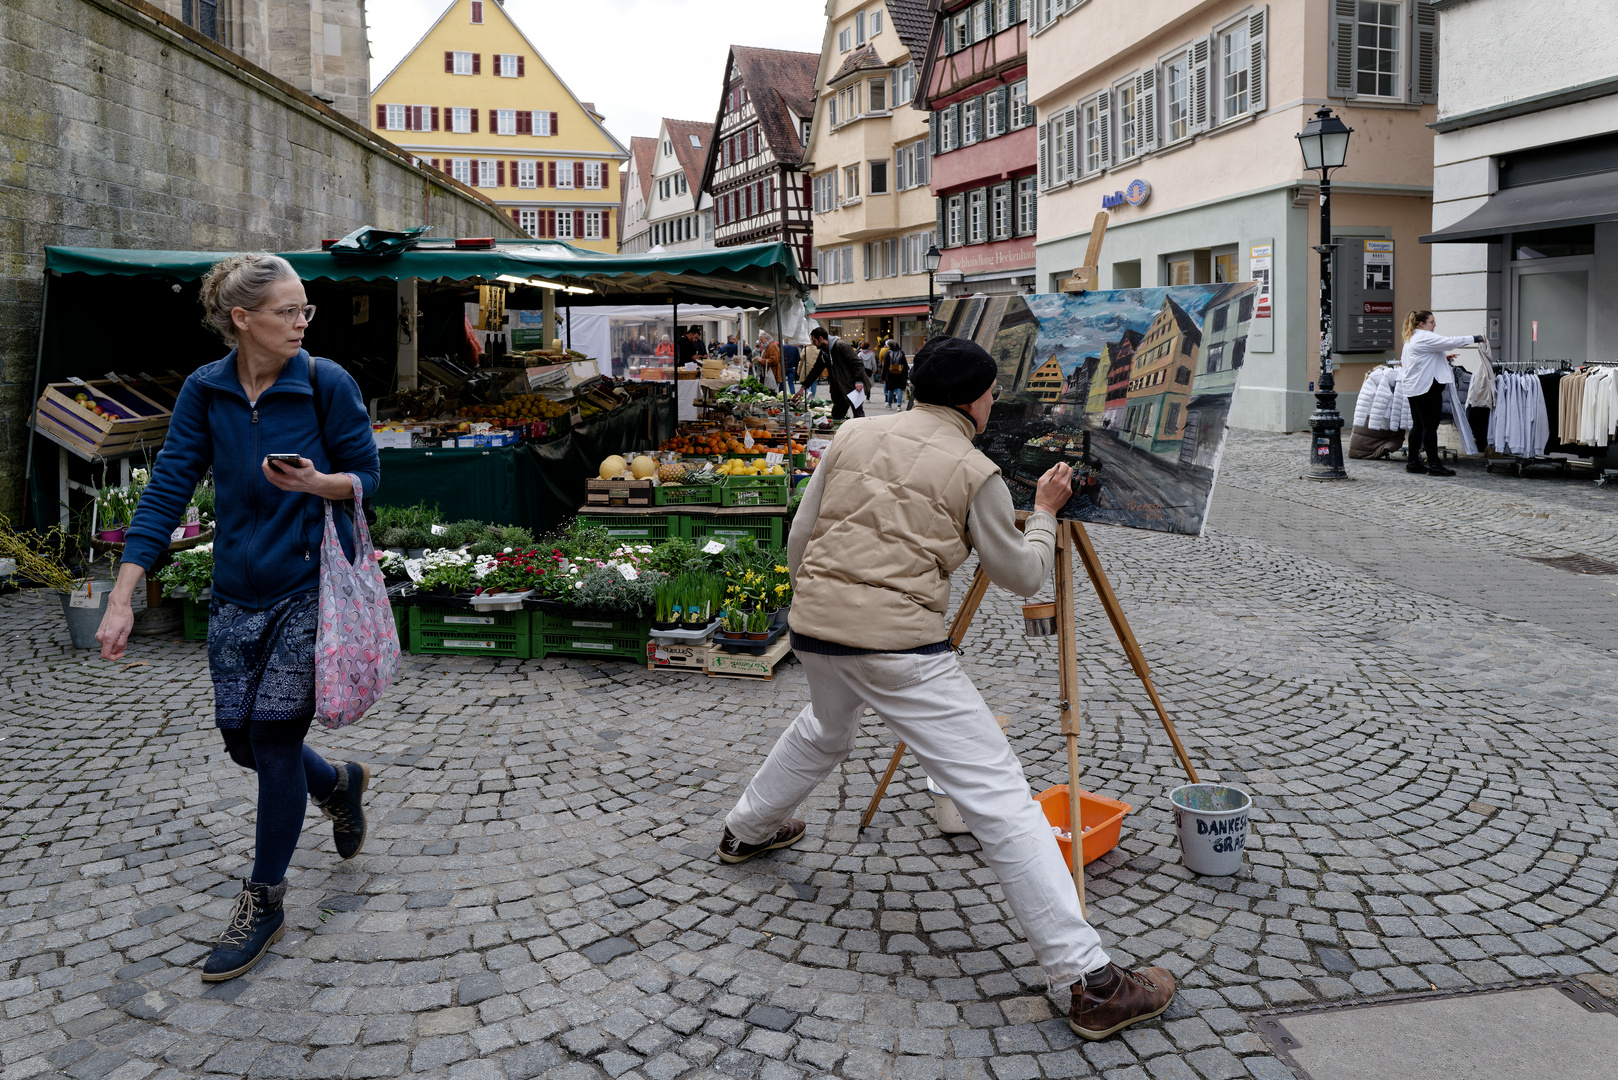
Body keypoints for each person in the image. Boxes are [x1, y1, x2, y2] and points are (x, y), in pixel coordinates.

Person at [719, 336, 1176, 1042]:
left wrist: (823, 604)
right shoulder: (976, 470)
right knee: (999, 796)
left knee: (825, 729)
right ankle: (1090, 982)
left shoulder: (851, 431)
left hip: (815, 625)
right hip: (898, 646)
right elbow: (1022, 576)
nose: (995, 404)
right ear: (974, 399)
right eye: (992, 394)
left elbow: (798, 540)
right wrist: (1047, 511)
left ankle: (746, 830)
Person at [96, 254, 380, 982]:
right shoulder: (206, 390)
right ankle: (337, 786)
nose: (301, 323)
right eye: (288, 311)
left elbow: (368, 476)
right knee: (242, 742)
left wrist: (321, 483)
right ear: (241, 319)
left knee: (274, 738)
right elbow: (166, 492)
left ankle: (265, 899)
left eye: (305, 310)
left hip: (307, 586)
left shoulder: (325, 382)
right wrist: (124, 593)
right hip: (234, 591)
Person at [1400, 309, 1481, 477]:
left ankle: (1413, 462)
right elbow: (1451, 341)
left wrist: (1443, 358)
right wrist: (1476, 338)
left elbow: (1420, 361)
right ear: (1422, 324)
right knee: (1429, 427)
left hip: (1413, 388)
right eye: (1432, 322)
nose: (1434, 325)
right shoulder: (1425, 336)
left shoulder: (1411, 338)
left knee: (1418, 425)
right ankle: (1435, 465)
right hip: (1427, 388)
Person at [803, 327, 866, 420]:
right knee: (837, 416)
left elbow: (857, 363)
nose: (813, 343)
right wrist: (804, 386)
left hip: (853, 387)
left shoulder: (841, 345)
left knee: (858, 416)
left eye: (814, 341)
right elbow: (816, 370)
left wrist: (859, 381)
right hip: (839, 389)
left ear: (821, 338)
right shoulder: (824, 352)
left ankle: (860, 434)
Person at [882, 338, 908, 408]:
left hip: (890, 373)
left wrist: (883, 376)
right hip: (900, 373)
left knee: (891, 388)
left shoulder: (888, 353)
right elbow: (905, 364)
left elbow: (885, 366)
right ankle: (899, 405)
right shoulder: (901, 353)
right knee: (899, 388)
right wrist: (906, 374)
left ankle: (889, 403)